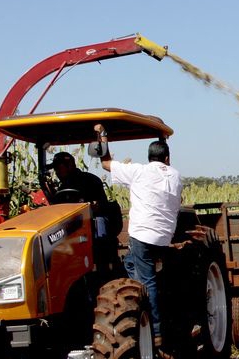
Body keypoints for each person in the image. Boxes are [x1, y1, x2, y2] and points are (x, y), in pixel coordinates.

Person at [93, 123, 182, 342]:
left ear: (149, 158)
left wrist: (102, 135)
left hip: (142, 235)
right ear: (167, 159)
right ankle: (138, 297)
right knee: (130, 263)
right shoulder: (175, 176)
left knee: (147, 280)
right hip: (164, 236)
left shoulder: (139, 171)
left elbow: (105, 163)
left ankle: (156, 330)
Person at [41, 151, 109, 206]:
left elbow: (98, 204)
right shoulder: (63, 186)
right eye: (55, 169)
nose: (57, 172)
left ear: (69, 166)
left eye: (59, 168)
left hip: (91, 217)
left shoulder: (90, 180)